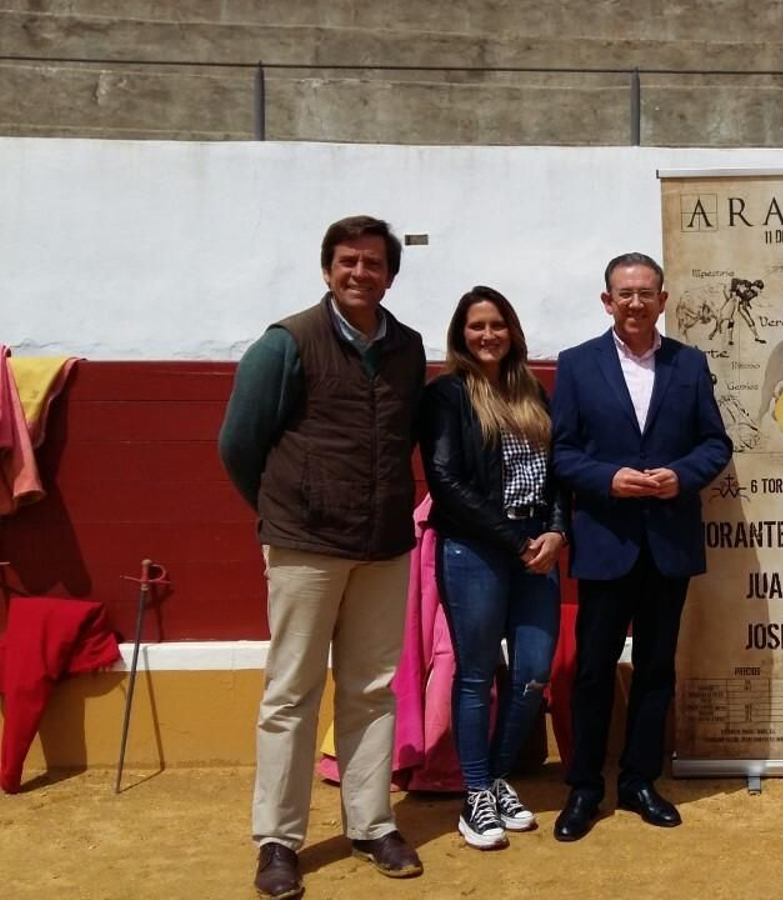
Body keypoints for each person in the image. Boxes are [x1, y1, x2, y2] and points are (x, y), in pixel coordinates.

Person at [218, 215, 425, 900]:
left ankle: (370, 823)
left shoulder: (408, 347)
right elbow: (239, 445)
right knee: (291, 693)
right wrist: (285, 511)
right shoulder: (287, 343)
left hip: (384, 543)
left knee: (371, 689)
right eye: (347, 260)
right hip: (305, 544)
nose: (359, 272)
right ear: (327, 268)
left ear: (390, 274)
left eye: (372, 262)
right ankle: (277, 840)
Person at [549, 252, 733, 841]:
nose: (634, 302)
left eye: (645, 292)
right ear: (607, 301)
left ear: (663, 299)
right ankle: (583, 787)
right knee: (594, 671)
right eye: (623, 293)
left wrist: (683, 475)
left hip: (668, 543)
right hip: (607, 540)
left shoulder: (690, 363)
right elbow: (562, 452)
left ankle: (638, 781)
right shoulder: (577, 366)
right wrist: (608, 479)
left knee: (656, 668)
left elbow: (715, 442)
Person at [419, 286, 568, 850]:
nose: (488, 335)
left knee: (533, 672)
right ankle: (477, 792)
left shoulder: (534, 392)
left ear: (513, 332)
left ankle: (498, 778)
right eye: (477, 326)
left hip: (538, 548)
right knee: (477, 673)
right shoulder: (448, 397)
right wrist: (514, 540)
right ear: (461, 335)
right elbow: (446, 482)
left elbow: (558, 475)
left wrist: (557, 530)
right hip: (476, 548)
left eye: (497, 325)